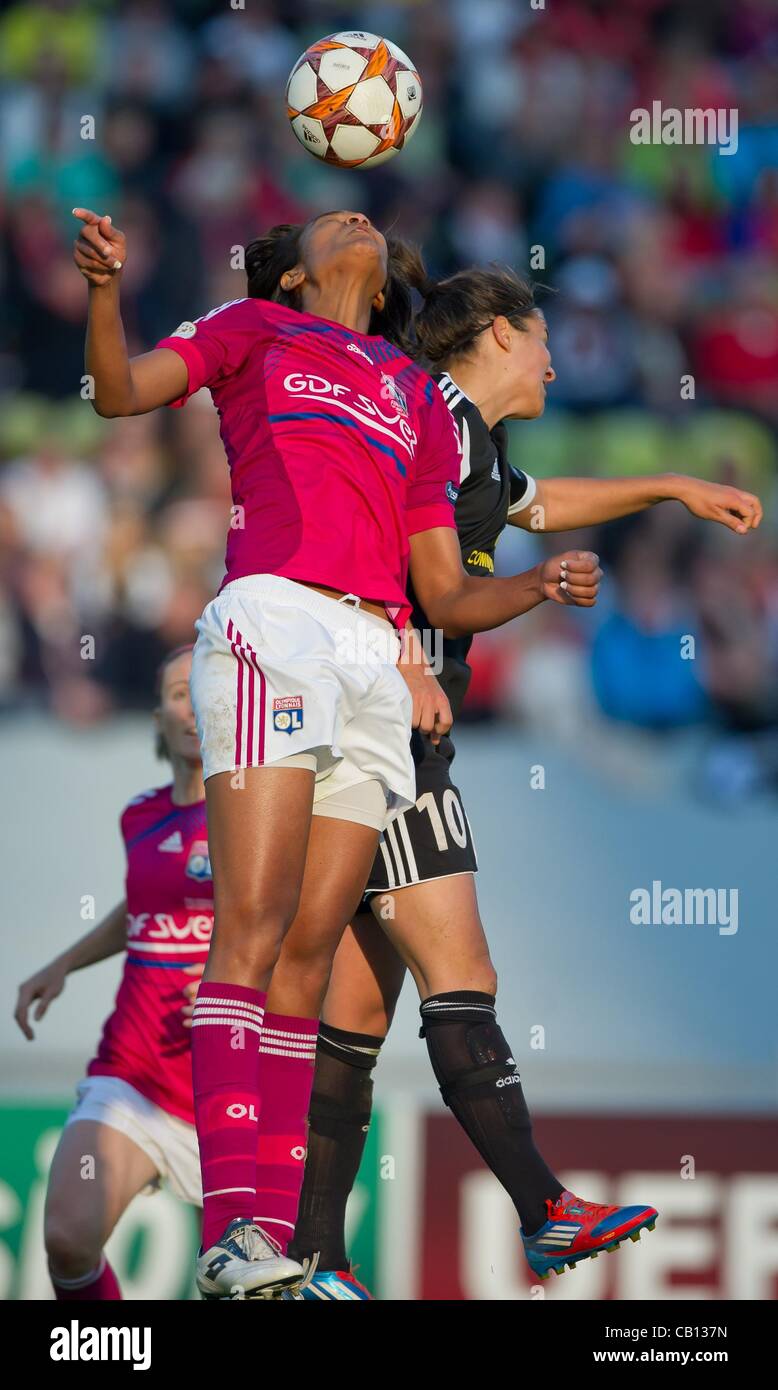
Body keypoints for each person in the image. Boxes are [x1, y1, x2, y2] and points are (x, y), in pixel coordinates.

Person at [72, 207, 600, 1298]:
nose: (356, 215)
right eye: (331, 218)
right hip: (276, 621)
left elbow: (444, 589)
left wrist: (536, 585)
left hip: (375, 656)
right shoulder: (252, 329)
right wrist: (105, 290)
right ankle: (232, 1229)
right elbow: (118, 393)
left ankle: (279, 1246)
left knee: (308, 958)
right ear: (295, 273)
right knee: (254, 929)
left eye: (362, 213)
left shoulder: (408, 388)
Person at [284, 265, 763, 1298]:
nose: (554, 362)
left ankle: (313, 1259)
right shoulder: (426, 415)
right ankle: (544, 1210)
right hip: (386, 731)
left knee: (356, 1011)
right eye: (542, 339)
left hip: (379, 725)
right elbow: (381, 562)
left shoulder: (468, 436)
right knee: (462, 973)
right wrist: (437, 641)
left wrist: (670, 486)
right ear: (499, 334)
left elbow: (536, 507)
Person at [15, 646, 210, 1301]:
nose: (194, 709)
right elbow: (144, 907)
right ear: (158, 718)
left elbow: (296, 924)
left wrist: (234, 985)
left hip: (230, 1084)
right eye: (179, 695)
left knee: (255, 1282)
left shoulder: (257, 819)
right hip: (133, 1075)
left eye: (206, 691)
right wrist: (64, 963)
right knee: (68, 1239)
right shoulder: (140, 815)